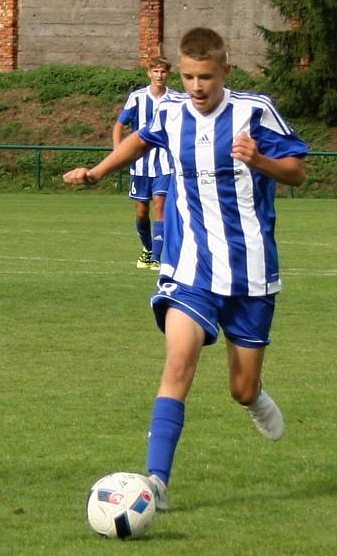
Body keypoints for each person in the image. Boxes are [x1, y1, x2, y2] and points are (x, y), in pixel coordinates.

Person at [64, 27, 307, 510]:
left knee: (240, 388)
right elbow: (137, 141)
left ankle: (253, 396)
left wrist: (260, 161)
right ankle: (157, 483)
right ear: (180, 71)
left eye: (207, 77)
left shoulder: (254, 112)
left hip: (249, 271)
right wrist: (97, 171)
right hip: (190, 266)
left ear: (225, 71)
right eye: (190, 76)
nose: (197, 87)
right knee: (178, 363)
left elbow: (298, 171)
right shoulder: (171, 113)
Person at [112, 56, 182, 271]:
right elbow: (119, 125)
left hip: (165, 164)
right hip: (140, 164)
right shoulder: (137, 98)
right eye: (155, 71)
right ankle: (148, 249)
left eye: (163, 72)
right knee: (142, 212)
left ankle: (158, 258)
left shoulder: (177, 99)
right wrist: (119, 152)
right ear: (149, 74)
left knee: (160, 207)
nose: (159, 75)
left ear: (168, 74)